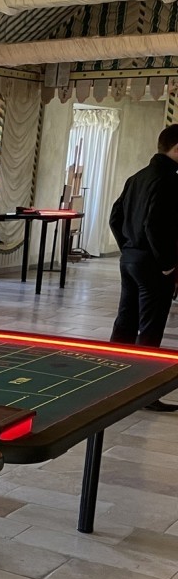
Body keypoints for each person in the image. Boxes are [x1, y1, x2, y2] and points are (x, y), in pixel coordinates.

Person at [109, 125, 178, 409]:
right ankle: (142, 393)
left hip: (130, 259)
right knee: (150, 326)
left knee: (126, 319)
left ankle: (107, 379)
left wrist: (127, 246)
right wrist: (167, 264)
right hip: (152, 263)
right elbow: (154, 224)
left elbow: (115, 217)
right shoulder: (169, 179)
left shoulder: (137, 177)